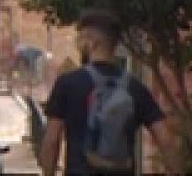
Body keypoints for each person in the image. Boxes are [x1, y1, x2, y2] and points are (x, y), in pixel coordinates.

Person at [39, 9, 167, 176]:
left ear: (91, 43)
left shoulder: (68, 83)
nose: (78, 44)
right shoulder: (135, 87)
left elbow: (52, 140)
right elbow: (166, 138)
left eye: (80, 38)